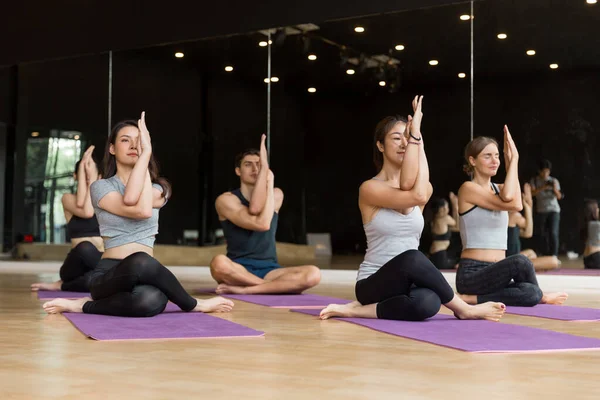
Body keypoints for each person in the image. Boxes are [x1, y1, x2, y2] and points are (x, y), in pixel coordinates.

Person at [319, 96, 505, 322]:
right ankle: (464, 308)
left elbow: (413, 188)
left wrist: (419, 140)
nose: (404, 143)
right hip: (374, 282)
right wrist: (415, 135)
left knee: (428, 303)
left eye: (407, 139)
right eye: (396, 138)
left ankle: (354, 310)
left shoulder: (423, 186)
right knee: (412, 257)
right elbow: (413, 196)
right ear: (380, 145)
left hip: (411, 279)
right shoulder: (370, 188)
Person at [43, 113, 233, 316]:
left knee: (150, 301)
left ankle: (82, 305)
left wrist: (145, 157)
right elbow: (140, 208)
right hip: (108, 274)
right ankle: (195, 304)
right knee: (140, 260)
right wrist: (145, 154)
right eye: (126, 140)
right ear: (112, 149)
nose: (134, 146)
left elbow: (136, 201)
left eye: (139, 141)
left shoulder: (160, 187)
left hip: (147, 274)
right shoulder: (101, 187)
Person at [455, 128, 567, 307]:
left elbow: (516, 202)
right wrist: (513, 162)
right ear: (472, 160)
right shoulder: (468, 188)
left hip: (497, 274)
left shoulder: (500, 187)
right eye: (487, 156)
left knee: (532, 293)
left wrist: (512, 162)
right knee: (521, 261)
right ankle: (540, 296)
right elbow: (512, 202)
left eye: (498, 156)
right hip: (472, 274)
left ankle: (471, 299)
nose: (494, 161)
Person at [209, 135, 321, 294]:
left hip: (270, 270)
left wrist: (269, 181)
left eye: (259, 165)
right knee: (218, 263)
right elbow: (261, 223)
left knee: (313, 273)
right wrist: (265, 168)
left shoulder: (276, 194)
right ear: (238, 171)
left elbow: (258, 207)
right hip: (238, 269)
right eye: (248, 165)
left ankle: (248, 290)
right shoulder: (226, 200)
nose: (256, 170)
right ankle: (269, 287)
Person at [31, 146, 104, 292]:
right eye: (83, 173)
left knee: (92, 280)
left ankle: (61, 286)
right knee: (85, 246)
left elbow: (87, 207)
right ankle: (113, 274)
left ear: (100, 177)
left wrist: (90, 179)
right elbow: (87, 211)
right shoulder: (67, 198)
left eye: (91, 172)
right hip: (74, 266)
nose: (87, 175)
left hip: (98, 262)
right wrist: (88, 176)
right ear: (75, 176)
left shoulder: (105, 201)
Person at [507, 183, 560, 271]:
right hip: (511, 261)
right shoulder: (514, 216)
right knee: (554, 261)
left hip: (510, 258)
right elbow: (529, 232)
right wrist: (529, 205)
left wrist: (529, 206)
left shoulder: (508, 217)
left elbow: (527, 233)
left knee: (531, 253)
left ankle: (525, 269)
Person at [530, 159, 562, 256]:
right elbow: (532, 193)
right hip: (541, 210)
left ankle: (554, 255)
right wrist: (543, 187)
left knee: (553, 233)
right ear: (539, 171)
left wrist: (554, 188)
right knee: (541, 234)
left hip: (554, 210)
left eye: (547, 171)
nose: (546, 173)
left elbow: (559, 196)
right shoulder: (534, 180)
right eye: (544, 171)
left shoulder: (554, 180)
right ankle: (543, 254)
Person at [428, 193, 459, 270]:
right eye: (447, 207)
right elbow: (458, 227)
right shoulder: (445, 219)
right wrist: (455, 205)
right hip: (440, 255)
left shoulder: (435, 219)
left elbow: (454, 228)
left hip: (433, 253)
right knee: (458, 265)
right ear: (442, 209)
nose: (448, 209)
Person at [581, 199, 600, 269]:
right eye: (597, 208)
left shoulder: (586, 225)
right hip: (596, 257)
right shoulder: (597, 225)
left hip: (586, 259)